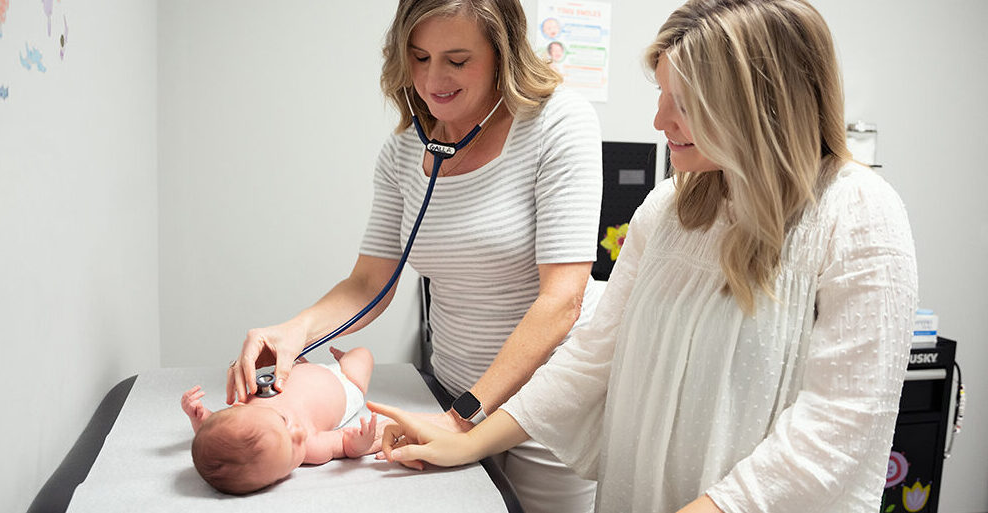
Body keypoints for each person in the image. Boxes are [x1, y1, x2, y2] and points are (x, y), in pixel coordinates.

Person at [370, 1, 920, 512]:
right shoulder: (670, 208)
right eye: (661, 97)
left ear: (759, 108)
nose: (659, 122)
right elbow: (591, 358)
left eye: (682, 104)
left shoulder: (860, 217)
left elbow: (838, 428)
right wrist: (466, 438)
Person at [226, 0, 604, 511]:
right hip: (450, 387)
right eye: (419, 57)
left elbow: (563, 299)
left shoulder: (558, 124)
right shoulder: (405, 149)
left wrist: (464, 417)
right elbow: (368, 285)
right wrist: (294, 331)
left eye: (457, 59)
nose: (432, 80)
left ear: (504, 52)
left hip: (547, 403)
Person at [183, 347, 380, 494]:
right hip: (345, 384)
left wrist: (200, 417)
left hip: (299, 371)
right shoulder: (312, 448)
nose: (299, 433)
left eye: (284, 421)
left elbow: (218, 432)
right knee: (362, 355)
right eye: (293, 453)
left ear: (239, 408)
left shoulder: (245, 419)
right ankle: (345, 360)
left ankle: (316, 365)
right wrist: (360, 443)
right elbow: (344, 444)